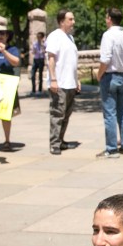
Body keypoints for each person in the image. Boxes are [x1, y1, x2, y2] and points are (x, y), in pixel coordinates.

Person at [97, 7, 123, 158]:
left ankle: (111, 148)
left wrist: (99, 74)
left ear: (109, 19)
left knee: (110, 113)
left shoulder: (108, 35)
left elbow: (105, 59)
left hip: (110, 76)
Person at [47, 9, 80, 155]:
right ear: (62, 21)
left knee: (66, 115)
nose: (73, 22)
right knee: (57, 114)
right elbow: (51, 58)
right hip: (59, 83)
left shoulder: (70, 38)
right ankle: (54, 143)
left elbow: (72, 62)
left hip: (71, 83)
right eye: (70, 19)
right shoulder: (55, 36)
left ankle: (60, 140)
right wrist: (53, 79)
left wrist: (77, 79)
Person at [0, 16, 21, 152]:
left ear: (7, 36)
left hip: (7, 83)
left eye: (2, 34)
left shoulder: (12, 49)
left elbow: (15, 62)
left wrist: (3, 51)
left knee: (6, 115)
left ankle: (7, 140)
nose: (0, 36)